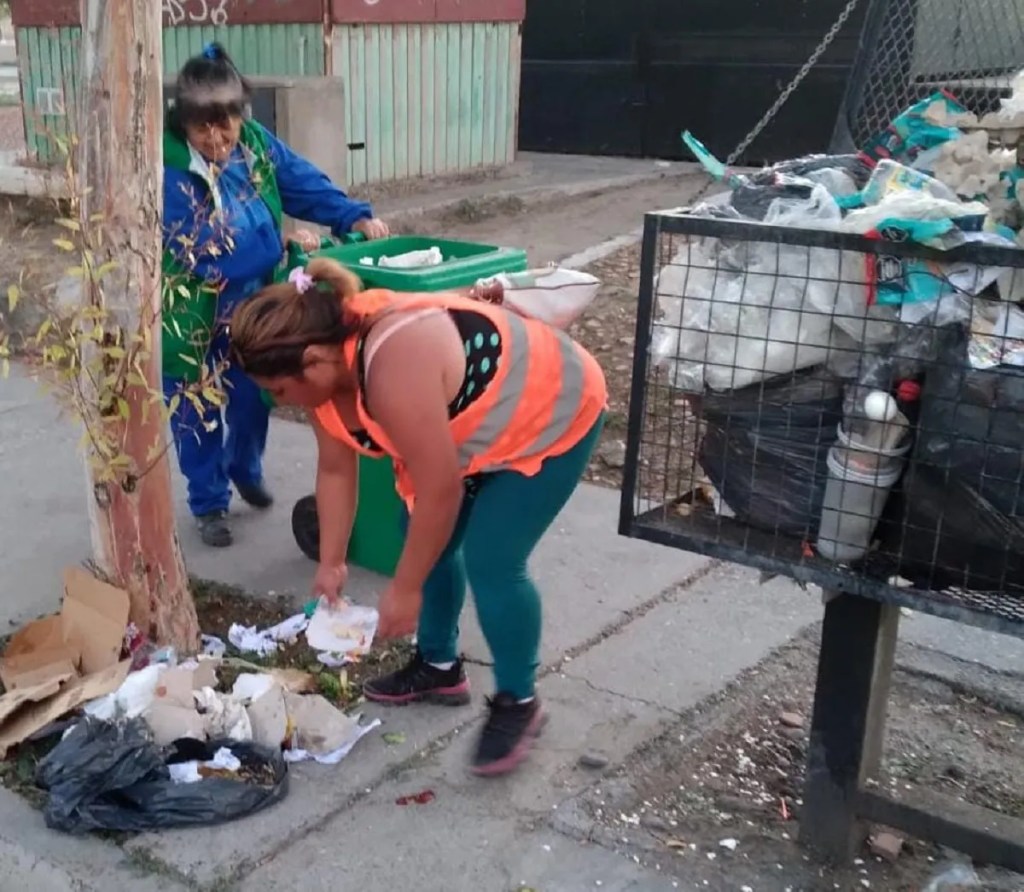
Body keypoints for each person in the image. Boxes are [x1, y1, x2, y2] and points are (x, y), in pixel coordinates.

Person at [227, 258, 607, 776]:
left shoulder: (393, 366)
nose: (277, 402)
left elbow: (441, 491)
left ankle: (519, 702)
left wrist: (404, 590)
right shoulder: (322, 381)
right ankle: (438, 666)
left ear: (313, 360)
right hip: (473, 430)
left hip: (549, 411)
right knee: (419, 537)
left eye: (278, 389)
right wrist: (332, 563)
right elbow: (337, 470)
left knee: (493, 559)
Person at [161, 42, 390, 548]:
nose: (216, 138)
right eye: (203, 127)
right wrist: (279, 242)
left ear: (241, 116)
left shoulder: (256, 146)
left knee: (255, 393)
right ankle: (209, 502)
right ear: (185, 124)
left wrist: (350, 213)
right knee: (195, 410)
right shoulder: (169, 170)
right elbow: (210, 250)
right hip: (192, 311)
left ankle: (244, 467)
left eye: (226, 124)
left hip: (252, 304)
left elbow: (300, 180)